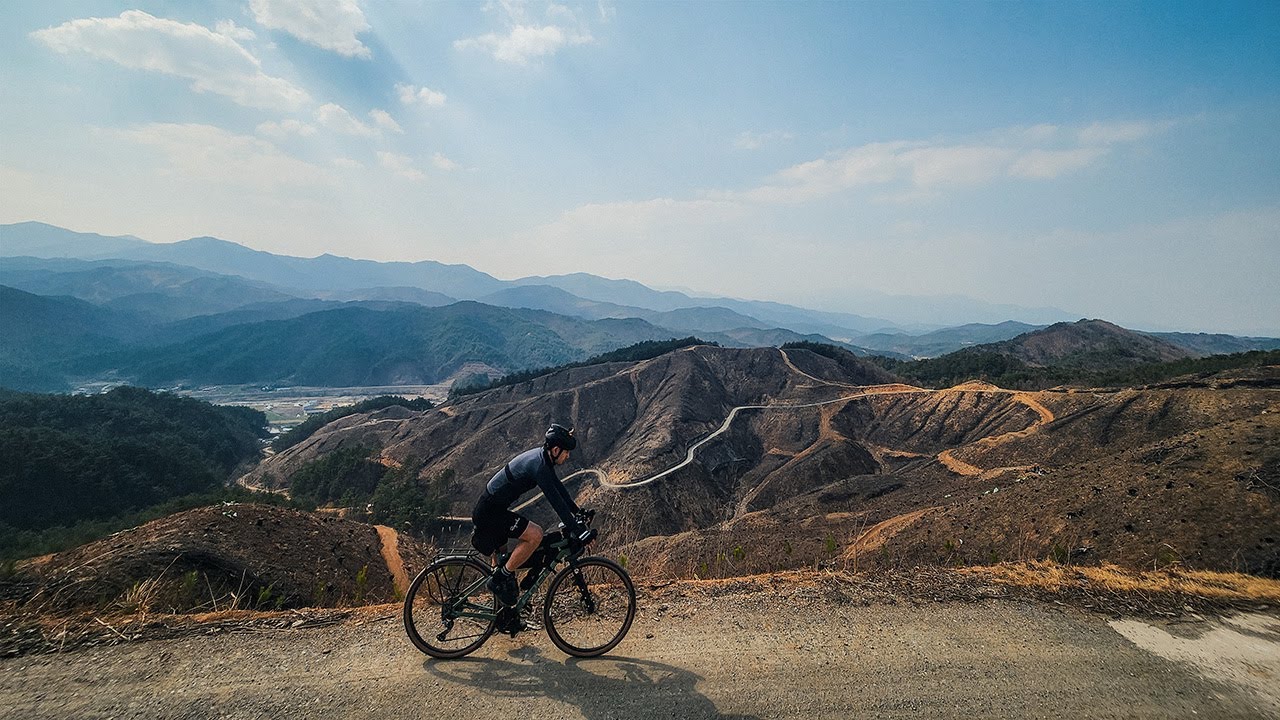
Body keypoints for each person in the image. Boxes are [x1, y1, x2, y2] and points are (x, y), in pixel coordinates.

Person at [471, 424, 590, 608]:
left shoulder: (543, 459)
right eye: (567, 452)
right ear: (556, 450)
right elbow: (556, 502)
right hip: (490, 513)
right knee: (535, 535)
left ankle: (505, 611)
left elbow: (559, 490)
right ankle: (498, 580)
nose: (568, 456)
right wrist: (579, 531)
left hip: (492, 509)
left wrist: (577, 512)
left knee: (504, 561)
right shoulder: (540, 466)